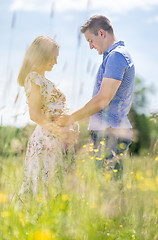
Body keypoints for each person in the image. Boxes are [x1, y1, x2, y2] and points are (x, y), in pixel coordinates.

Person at [59, 15, 135, 177]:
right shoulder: (112, 57)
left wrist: (70, 119)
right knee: (105, 190)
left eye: (90, 41)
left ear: (101, 33)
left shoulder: (116, 56)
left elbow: (103, 100)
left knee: (109, 191)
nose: (91, 47)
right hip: (107, 133)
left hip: (110, 134)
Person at [17, 36, 77, 201]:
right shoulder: (33, 78)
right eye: (53, 57)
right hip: (48, 139)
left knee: (60, 186)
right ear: (42, 54)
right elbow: (35, 114)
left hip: (57, 139)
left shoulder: (42, 80)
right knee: (47, 187)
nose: (56, 62)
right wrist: (61, 132)